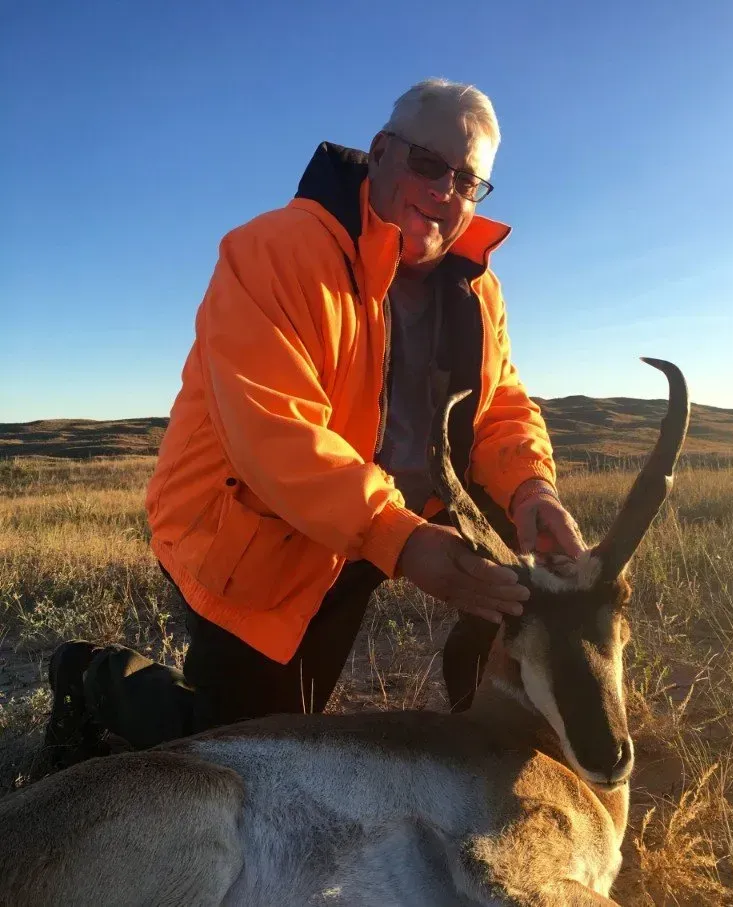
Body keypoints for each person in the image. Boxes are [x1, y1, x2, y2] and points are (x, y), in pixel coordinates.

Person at [44, 78, 584, 766]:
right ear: (383, 152)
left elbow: (499, 403)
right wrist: (401, 538)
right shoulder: (273, 252)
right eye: (430, 166)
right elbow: (275, 435)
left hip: (377, 526)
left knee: (526, 551)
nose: (448, 192)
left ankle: (487, 727)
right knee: (246, 754)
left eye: (469, 181)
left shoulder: (475, 287)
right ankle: (91, 677)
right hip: (259, 533)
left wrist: (532, 488)